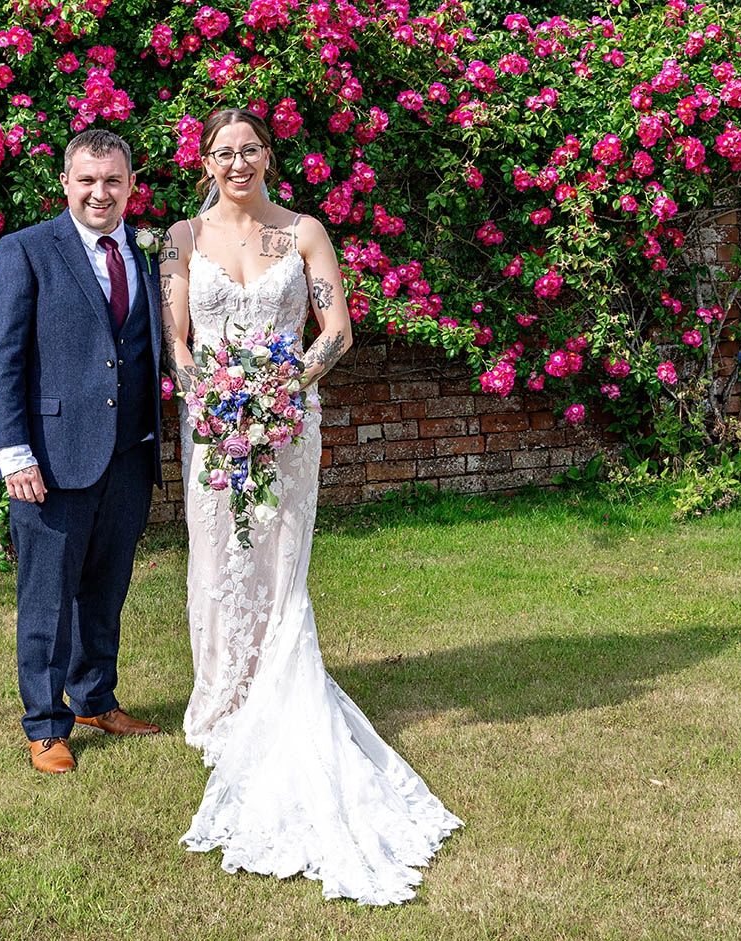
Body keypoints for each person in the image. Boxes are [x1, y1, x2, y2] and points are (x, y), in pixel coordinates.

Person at [159, 109, 462, 904]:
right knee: (219, 560)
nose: (237, 163)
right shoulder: (180, 240)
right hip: (215, 430)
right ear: (205, 161)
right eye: (223, 152)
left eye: (249, 149)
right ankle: (222, 701)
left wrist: (282, 389)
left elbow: (337, 330)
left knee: (280, 563)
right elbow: (180, 344)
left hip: (289, 427)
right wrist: (213, 400)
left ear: (268, 155)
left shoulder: (304, 232)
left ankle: (279, 692)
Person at [0, 129, 163, 775]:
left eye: (113, 180)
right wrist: (14, 453)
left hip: (130, 455)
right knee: (48, 599)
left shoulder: (144, 253)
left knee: (105, 589)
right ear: (65, 183)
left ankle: (93, 698)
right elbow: (0, 359)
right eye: (87, 179)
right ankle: (45, 723)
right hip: (52, 459)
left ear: (131, 185)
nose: (100, 192)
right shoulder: (25, 250)